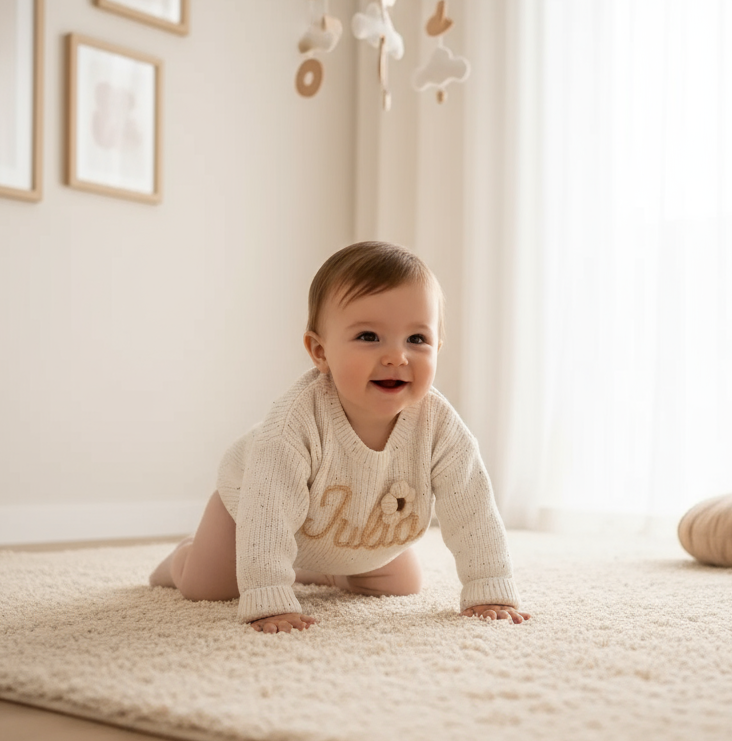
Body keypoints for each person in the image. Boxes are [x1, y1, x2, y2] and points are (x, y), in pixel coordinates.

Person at [150, 240, 529, 633]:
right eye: (369, 336)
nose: (397, 356)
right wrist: (270, 599)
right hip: (254, 505)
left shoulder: (440, 426)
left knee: (402, 584)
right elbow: (268, 514)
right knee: (208, 585)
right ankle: (181, 558)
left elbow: (473, 510)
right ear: (320, 351)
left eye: (417, 339)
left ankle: (320, 569)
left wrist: (488, 588)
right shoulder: (293, 424)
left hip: (354, 530)